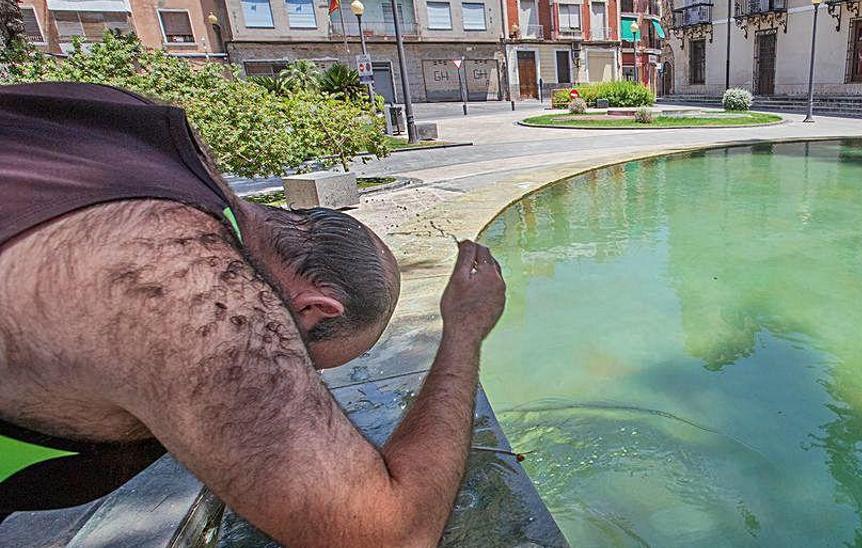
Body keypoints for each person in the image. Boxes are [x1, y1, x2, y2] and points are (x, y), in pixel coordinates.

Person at [0, 82, 507, 546]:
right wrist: (464, 331)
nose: (289, 379)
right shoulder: (187, 286)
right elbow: (392, 535)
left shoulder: (139, 132)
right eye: (305, 361)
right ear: (312, 309)